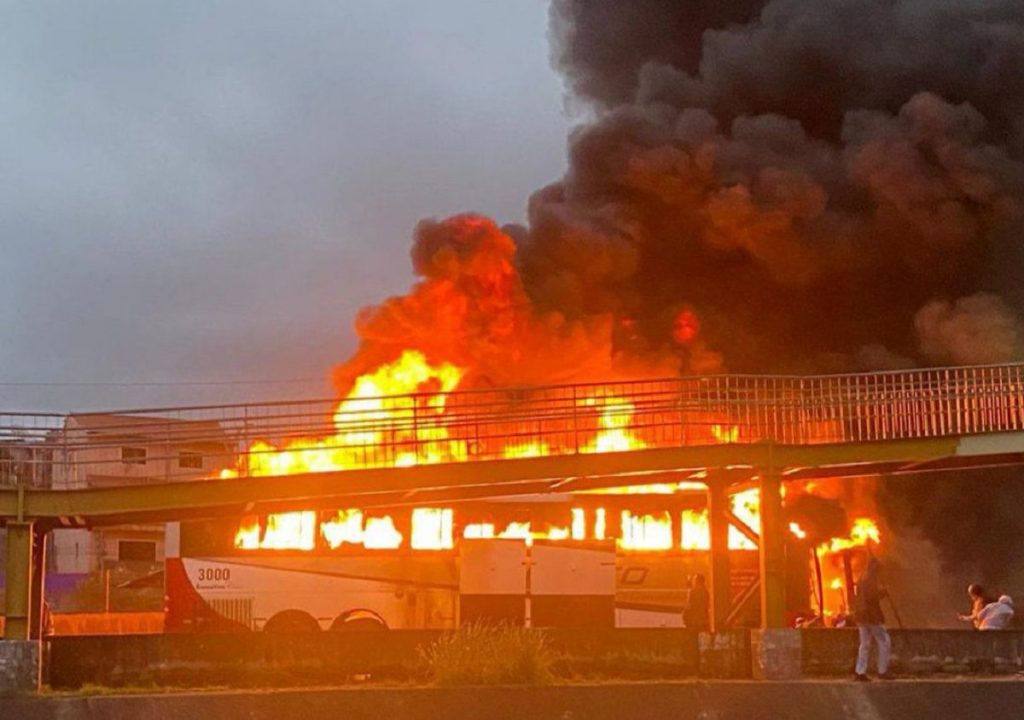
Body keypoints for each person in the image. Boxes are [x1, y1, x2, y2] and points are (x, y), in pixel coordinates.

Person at [853, 557, 892, 681]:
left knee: (864, 644)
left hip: (861, 616)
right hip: (871, 616)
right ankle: (882, 671)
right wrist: (882, 593)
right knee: (884, 641)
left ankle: (860, 672)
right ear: (874, 567)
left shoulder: (861, 577)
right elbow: (871, 597)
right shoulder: (870, 579)